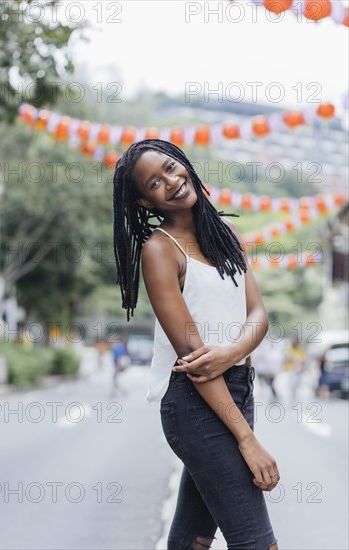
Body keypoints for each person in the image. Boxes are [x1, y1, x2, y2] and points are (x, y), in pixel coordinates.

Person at [113, 139, 279, 550]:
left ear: (185, 164)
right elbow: (195, 360)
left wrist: (230, 352)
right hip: (193, 402)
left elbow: (257, 313)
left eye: (171, 167)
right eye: (154, 182)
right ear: (143, 202)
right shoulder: (158, 252)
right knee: (256, 542)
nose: (170, 181)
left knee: (194, 539)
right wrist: (247, 440)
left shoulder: (227, 232)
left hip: (238, 389)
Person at [252, 337, 283, 403]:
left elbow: (278, 362)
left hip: (274, 371)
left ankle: (275, 396)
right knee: (270, 384)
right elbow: (266, 362)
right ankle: (274, 396)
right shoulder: (268, 352)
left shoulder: (276, 353)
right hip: (268, 371)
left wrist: (276, 370)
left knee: (271, 384)